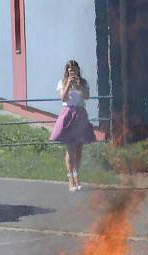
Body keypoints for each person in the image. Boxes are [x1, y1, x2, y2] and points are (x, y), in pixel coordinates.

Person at [50, 60, 96, 192]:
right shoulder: (62, 82)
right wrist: (68, 85)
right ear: (67, 71)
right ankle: (70, 178)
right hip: (68, 114)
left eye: (74, 70)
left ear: (78, 70)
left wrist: (78, 86)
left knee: (79, 148)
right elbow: (63, 98)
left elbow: (86, 97)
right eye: (70, 70)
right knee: (70, 148)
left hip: (80, 113)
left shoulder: (83, 82)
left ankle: (77, 175)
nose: (72, 72)